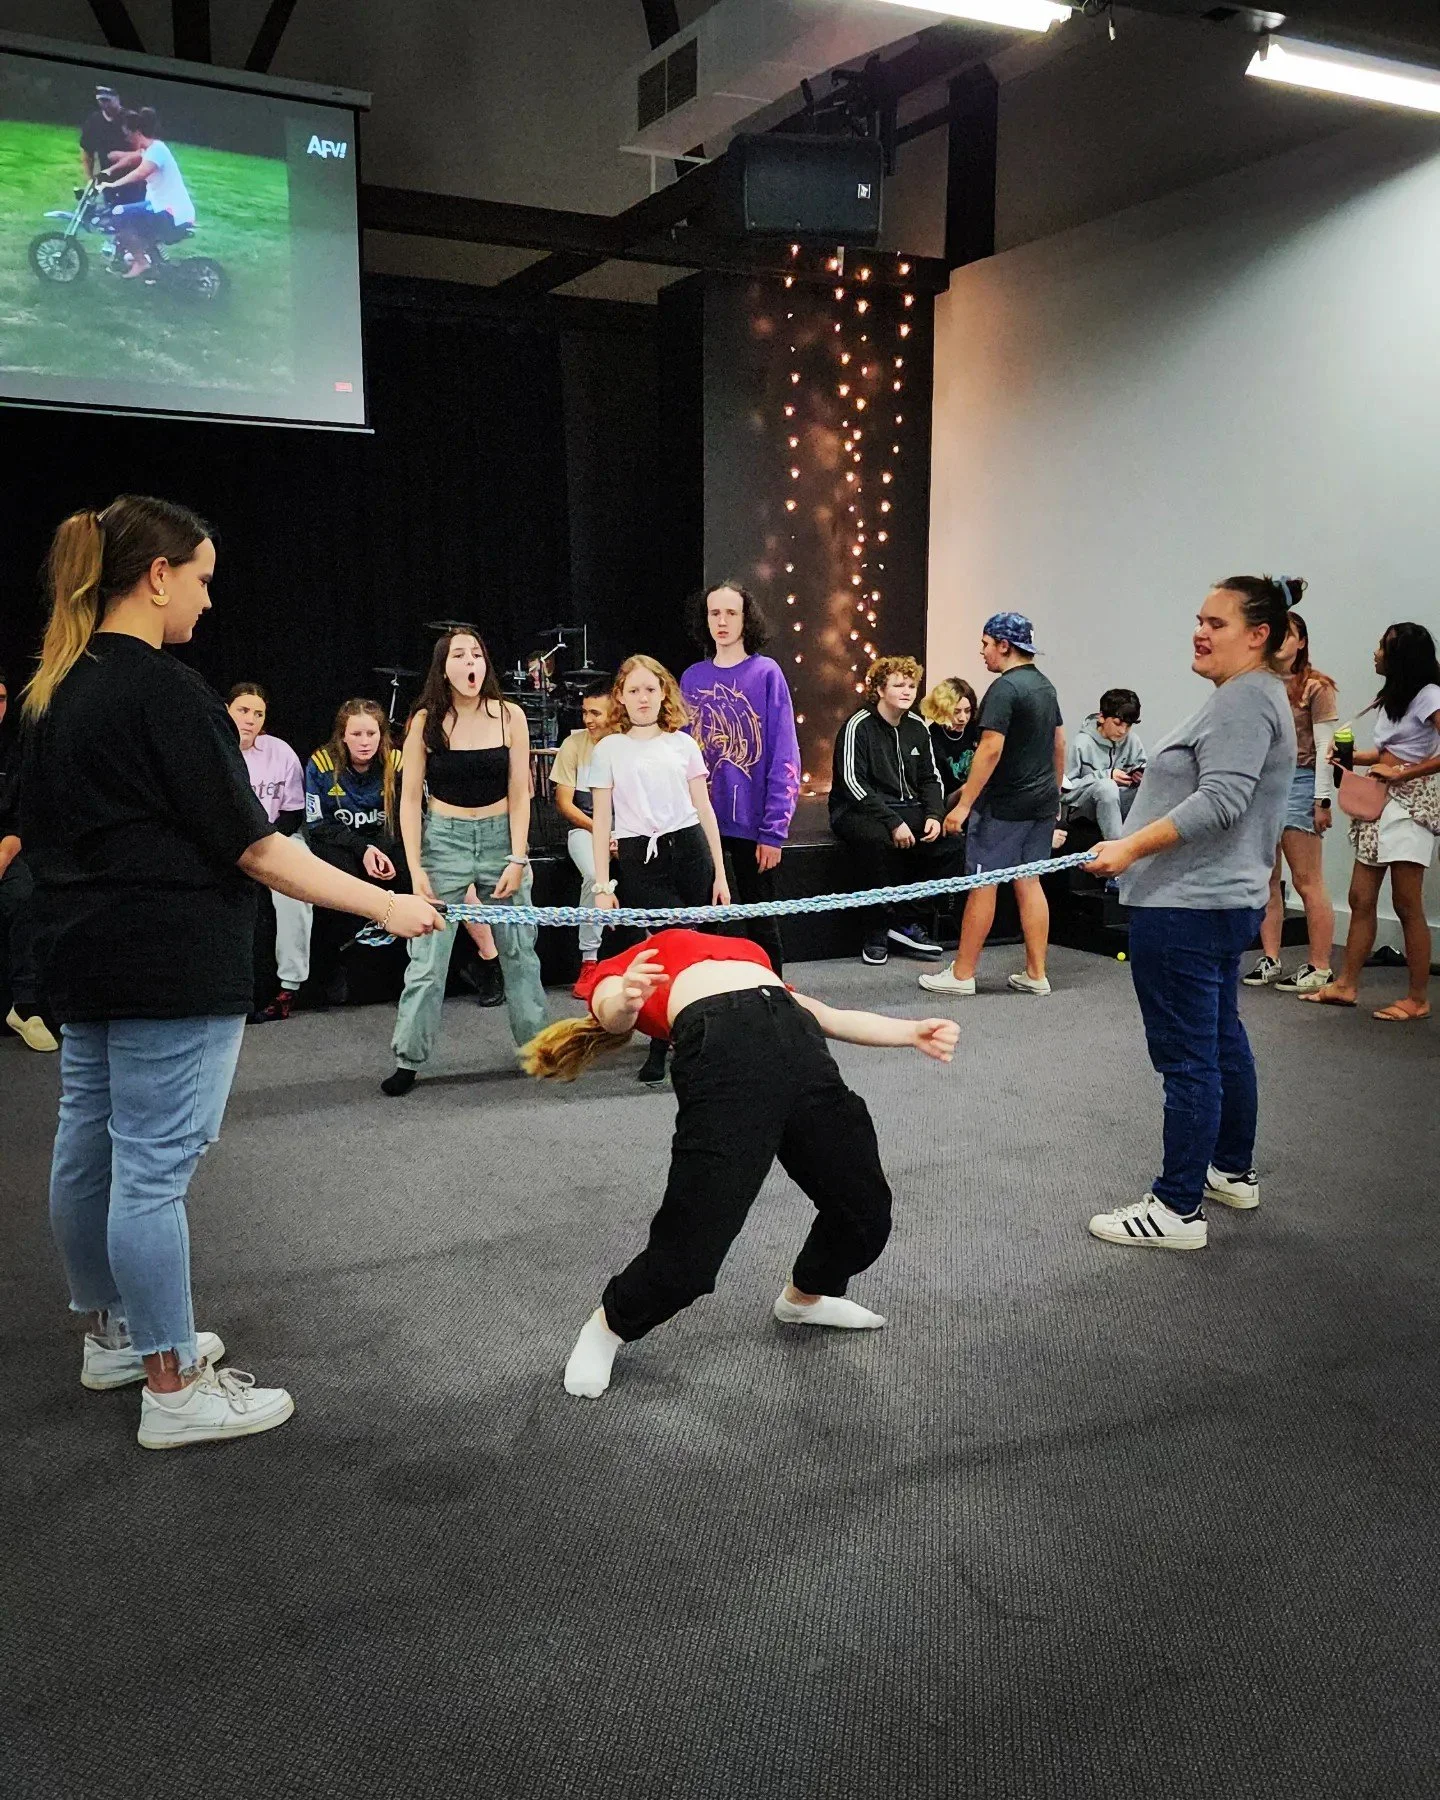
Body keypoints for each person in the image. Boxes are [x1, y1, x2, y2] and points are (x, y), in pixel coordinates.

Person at [20, 497, 440, 1450]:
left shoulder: (54, 689)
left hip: (84, 957)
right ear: (158, 575)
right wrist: (388, 905)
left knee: (91, 1147)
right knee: (152, 1171)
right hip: (170, 963)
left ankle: (120, 1337)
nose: (208, 602)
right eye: (201, 579)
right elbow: (255, 848)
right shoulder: (166, 693)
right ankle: (173, 1385)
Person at [521, 929, 959, 1398]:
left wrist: (909, 1032)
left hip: (801, 1048)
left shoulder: (752, 951)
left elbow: (827, 1016)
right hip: (723, 1055)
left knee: (864, 1211)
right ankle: (608, 1326)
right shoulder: (637, 959)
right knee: (690, 1255)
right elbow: (611, 1014)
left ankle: (805, 1298)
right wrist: (627, 999)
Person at [1084, 576, 1297, 1251]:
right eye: (1198, 620)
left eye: (1218, 623)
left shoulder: (1242, 701)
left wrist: (1129, 846)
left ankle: (1176, 1209)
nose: (1200, 632)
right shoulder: (1250, 697)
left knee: (1189, 1058)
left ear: (1258, 635)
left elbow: (1221, 802)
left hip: (1187, 907)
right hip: (1214, 903)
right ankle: (1229, 1171)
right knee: (1219, 1039)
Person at [383, 626, 549, 1097]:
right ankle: (408, 1057)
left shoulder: (509, 716)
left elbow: (522, 791)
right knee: (428, 959)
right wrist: (416, 870)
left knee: (519, 950)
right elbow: (410, 797)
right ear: (444, 666)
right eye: (460, 654)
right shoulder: (424, 721)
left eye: (477, 653)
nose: (470, 662)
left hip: (501, 838)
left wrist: (519, 856)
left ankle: (537, 1049)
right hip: (445, 839)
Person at [590, 655, 730, 1084]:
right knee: (663, 949)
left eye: (650, 689)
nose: (643, 698)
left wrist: (721, 873)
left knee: (699, 949)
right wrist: (601, 883)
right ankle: (659, 1039)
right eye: (633, 690)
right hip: (639, 858)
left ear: (664, 692)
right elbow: (600, 820)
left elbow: (704, 809)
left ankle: (697, 1038)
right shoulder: (608, 748)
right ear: (621, 697)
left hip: (689, 849)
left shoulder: (682, 744)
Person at [1302, 622, 1440, 1022]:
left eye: (1383, 646)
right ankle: (1345, 985)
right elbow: (1385, 752)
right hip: (1380, 803)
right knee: (1361, 898)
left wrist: (1404, 774)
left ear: (1401, 657)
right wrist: (1346, 758)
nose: (1375, 652)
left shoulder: (1430, 695)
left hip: (1410, 805)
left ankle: (1417, 998)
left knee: (1406, 902)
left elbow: (1407, 761)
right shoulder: (1394, 697)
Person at [921, 614, 1064, 998]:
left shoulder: (1004, 689)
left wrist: (963, 806)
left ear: (1004, 645)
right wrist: (1055, 797)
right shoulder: (1045, 687)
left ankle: (962, 974)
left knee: (982, 883)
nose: (982, 651)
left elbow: (990, 748)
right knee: (1028, 881)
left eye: (985, 643)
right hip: (1040, 804)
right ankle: (1037, 974)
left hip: (1004, 806)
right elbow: (1059, 743)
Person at [680, 582, 800, 975]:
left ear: (747, 619)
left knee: (761, 921)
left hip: (753, 822)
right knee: (704, 922)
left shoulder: (767, 673)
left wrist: (774, 831)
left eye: (731, 613)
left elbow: (785, 754)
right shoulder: (692, 678)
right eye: (715, 613)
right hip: (701, 822)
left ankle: (776, 998)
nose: (722, 621)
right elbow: (681, 754)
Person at [828, 656, 965, 967]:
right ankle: (876, 930)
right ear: (879, 689)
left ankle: (906, 921)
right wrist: (893, 822)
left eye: (912, 685)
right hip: (857, 810)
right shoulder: (857, 726)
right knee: (877, 842)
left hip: (908, 807)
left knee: (951, 843)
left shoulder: (918, 727)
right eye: (898, 685)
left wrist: (934, 814)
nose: (907, 691)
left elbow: (931, 778)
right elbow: (852, 782)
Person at [1244, 600, 1338, 994]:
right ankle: (1271, 957)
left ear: (1301, 642)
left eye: (1289, 633)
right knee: (1268, 877)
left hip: (1302, 781)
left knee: (1306, 878)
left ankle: (1320, 965)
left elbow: (1326, 748)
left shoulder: (1317, 686)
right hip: (1265, 783)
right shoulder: (1259, 683)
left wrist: (1322, 800)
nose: (1281, 640)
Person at [304, 700, 406, 1007]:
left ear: (382, 735)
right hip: (338, 843)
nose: (365, 742)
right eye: (357, 734)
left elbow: (406, 819)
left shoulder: (396, 762)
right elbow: (317, 824)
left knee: (410, 876)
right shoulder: (321, 763)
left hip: (384, 841)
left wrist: (381, 851)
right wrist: (362, 849)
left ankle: (409, 974)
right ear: (343, 736)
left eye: (371, 734)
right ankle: (331, 968)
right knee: (339, 882)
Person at [227, 683, 312, 1024]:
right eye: (243, 711)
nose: (250, 719)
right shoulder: (213, 748)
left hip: (274, 836)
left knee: (299, 887)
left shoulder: (280, 752)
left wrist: (269, 842)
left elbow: (293, 812)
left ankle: (289, 986)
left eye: (258, 713)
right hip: (228, 841)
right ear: (227, 709)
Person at [0, 667, 57, 1052]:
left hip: (5, 849)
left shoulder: (16, 748)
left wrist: (3, 857)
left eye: (1, 698)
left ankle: (25, 1007)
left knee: (25, 896)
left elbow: (21, 818)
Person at [550, 679, 617, 970]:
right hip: (585, 829)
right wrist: (602, 832)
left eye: (595, 713)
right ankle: (589, 960)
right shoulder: (573, 744)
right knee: (593, 874)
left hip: (629, 832)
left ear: (615, 712)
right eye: (585, 712)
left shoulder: (630, 744)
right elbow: (565, 803)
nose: (588, 719)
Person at [97, 108, 196, 282]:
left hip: (170, 212)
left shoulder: (157, 150)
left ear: (136, 132)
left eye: (127, 134)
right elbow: (132, 159)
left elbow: (141, 172)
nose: (126, 138)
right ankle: (153, 266)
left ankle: (141, 262)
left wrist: (112, 184)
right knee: (134, 221)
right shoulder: (151, 149)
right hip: (165, 209)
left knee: (119, 214)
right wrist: (108, 171)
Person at [1063, 688, 1147, 843]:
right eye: (1118, 723)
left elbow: (1144, 771)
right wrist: (1106, 775)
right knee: (1107, 787)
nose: (1123, 731)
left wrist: (1139, 776)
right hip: (1084, 810)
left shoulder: (1132, 741)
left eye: (1128, 726)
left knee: (1154, 784)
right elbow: (1065, 791)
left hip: (1120, 803)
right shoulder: (1081, 744)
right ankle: (1116, 849)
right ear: (1102, 717)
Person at [920, 677, 980, 811]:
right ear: (942, 710)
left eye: (968, 710)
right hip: (947, 801)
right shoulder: (931, 737)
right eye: (956, 712)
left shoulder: (976, 729)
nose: (963, 718)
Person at [79, 85, 142, 203]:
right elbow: (87, 151)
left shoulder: (131, 119)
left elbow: (144, 151)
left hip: (133, 178)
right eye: (101, 101)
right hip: (107, 176)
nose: (105, 104)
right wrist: (90, 178)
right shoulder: (94, 121)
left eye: (108, 100)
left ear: (117, 99)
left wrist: (120, 155)